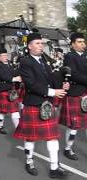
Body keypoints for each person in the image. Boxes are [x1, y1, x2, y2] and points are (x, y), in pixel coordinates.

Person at [14, 33, 69, 178]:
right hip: (33, 103)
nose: (41, 46)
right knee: (30, 137)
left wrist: (62, 84)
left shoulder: (45, 62)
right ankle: (29, 161)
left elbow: (51, 79)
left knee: (52, 137)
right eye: (37, 43)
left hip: (47, 104)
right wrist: (53, 92)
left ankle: (54, 167)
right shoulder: (25, 62)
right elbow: (31, 84)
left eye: (41, 43)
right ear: (29, 46)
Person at [59, 32, 87, 161]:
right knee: (74, 126)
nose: (83, 44)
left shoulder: (86, 56)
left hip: (85, 93)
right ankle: (68, 148)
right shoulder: (69, 57)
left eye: (83, 42)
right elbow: (73, 74)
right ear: (73, 44)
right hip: (76, 93)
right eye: (80, 42)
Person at [0, 48, 22, 134]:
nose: (5, 57)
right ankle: (1, 126)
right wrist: (14, 79)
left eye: (6, 55)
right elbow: (2, 76)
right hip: (3, 90)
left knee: (15, 110)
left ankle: (18, 128)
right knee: (2, 111)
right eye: (3, 55)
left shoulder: (10, 64)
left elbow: (14, 72)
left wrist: (20, 69)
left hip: (11, 91)